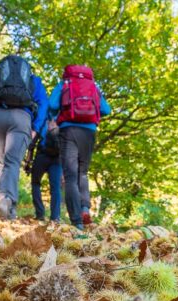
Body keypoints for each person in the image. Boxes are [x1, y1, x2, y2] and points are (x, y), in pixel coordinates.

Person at [0, 55, 49, 219]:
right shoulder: (33, 80)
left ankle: (9, 208)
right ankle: (6, 199)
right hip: (21, 118)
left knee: (1, 162)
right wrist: (36, 128)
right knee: (13, 162)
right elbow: (43, 103)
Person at [49, 64, 111, 229]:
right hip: (89, 132)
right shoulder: (94, 87)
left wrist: (60, 114)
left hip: (68, 130)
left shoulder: (64, 84)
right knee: (82, 173)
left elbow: (52, 105)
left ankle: (77, 221)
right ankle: (85, 208)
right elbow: (106, 110)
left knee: (70, 176)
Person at [25, 119, 62, 222]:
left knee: (35, 183)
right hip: (57, 158)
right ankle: (55, 217)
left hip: (42, 156)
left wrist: (28, 161)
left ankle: (40, 213)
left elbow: (32, 143)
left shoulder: (42, 120)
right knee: (56, 188)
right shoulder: (62, 121)